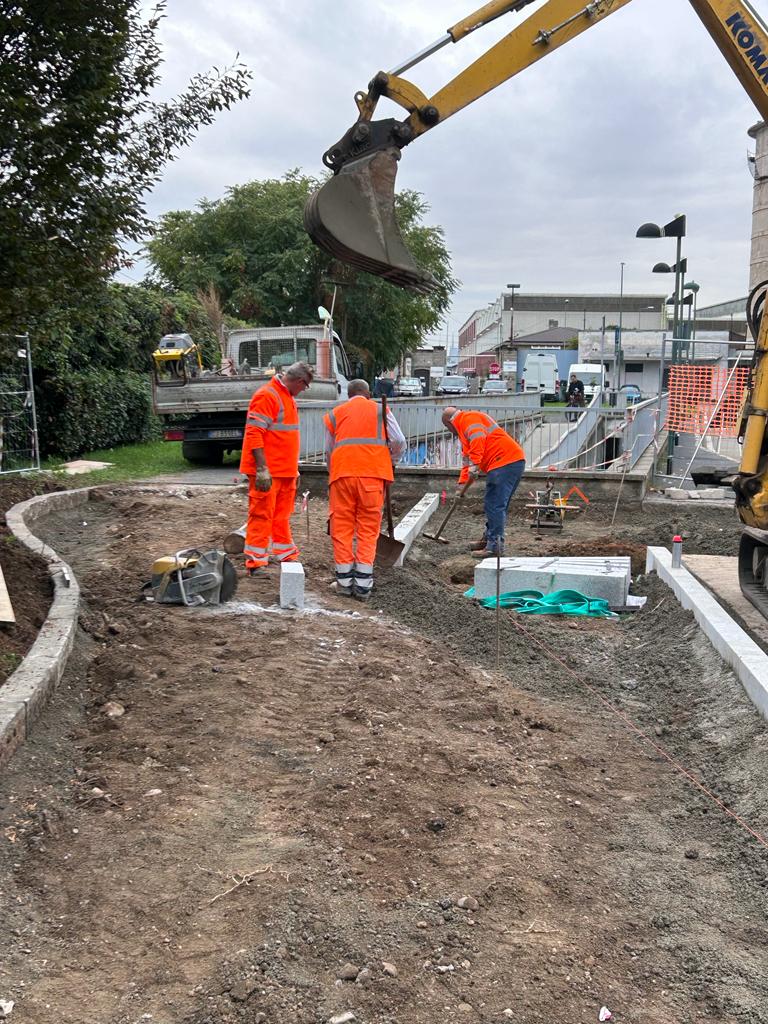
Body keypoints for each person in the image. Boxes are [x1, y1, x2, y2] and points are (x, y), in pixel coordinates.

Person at [324, 379, 406, 601]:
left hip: (342, 476)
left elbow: (329, 451)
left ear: (348, 395)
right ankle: (362, 586)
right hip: (372, 477)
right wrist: (391, 462)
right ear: (368, 393)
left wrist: (335, 474)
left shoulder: (336, 414)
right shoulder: (379, 409)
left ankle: (343, 583)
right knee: (368, 529)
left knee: (341, 528)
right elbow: (399, 440)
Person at [239, 361, 313, 576]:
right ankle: (256, 562)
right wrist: (262, 468)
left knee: (281, 515)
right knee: (261, 514)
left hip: (284, 470)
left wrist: (293, 470)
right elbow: (254, 433)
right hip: (269, 471)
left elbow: (285, 437)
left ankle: (286, 554)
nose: (304, 390)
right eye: (305, 386)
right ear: (299, 381)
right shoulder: (268, 395)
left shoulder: (286, 397)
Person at [441, 406, 526, 557]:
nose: (450, 432)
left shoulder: (468, 419)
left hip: (504, 462)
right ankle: (489, 538)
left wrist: (476, 463)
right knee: (495, 504)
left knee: (495, 504)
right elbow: (466, 463)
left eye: (448, 428)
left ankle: (494, 546)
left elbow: (478, 439)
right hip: (509, 461)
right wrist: (460, 486)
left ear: (449, 422)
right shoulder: (463, 431)